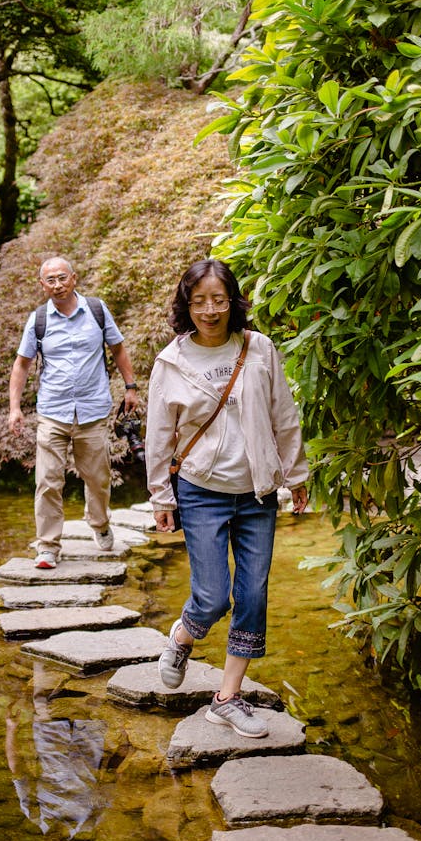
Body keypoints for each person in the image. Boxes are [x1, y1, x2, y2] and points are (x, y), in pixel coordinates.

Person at [145, 258, 308, 738]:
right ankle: (183, 635)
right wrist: (161, 496)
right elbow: (159, 434)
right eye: (199, 302)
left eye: (218, 300)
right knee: (214, 595)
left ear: (232, 302)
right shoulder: (170, 362)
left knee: (252, 595)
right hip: (200, 490)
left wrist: (295, 475)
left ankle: (227, 698)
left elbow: (284, 414)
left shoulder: (258, 348)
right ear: (186, 305)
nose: (210, 310)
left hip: (255, 491)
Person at [8, 256, 139, 568]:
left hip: (92, 411)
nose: (57, 284)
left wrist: (131, 386)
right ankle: (48, 546)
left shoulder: (96, 309)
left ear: (74, 278)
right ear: (43, 285)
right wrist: (14, 408)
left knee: (98, 478)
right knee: (48, 481)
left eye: (62, 278)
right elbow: (22, 364)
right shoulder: (38, 319)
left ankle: (99, 522)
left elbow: (118, 348)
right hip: (53, 412)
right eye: (50, 280)